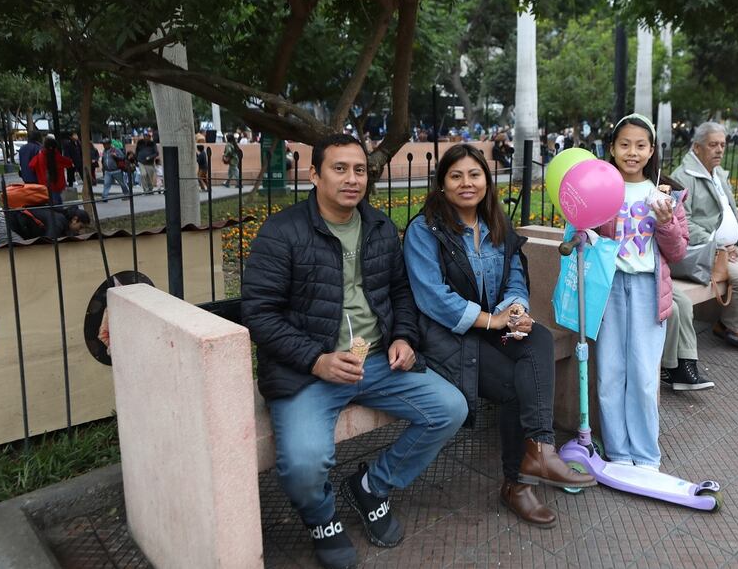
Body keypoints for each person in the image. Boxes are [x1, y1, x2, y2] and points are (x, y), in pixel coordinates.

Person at [241, 134, 467, 569]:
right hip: (308, 372)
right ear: (314, 175)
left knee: (450, 408)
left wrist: (404, 337)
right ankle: (322, 517)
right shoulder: (282, 232)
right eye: (339, 169)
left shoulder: (379, 227)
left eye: (359, 170)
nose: (351, 179)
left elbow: (401, 292)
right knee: (305, 465)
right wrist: (316, 359)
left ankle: (371, 485)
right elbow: (260, 314)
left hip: (379, 361)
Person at [403, 144, 594, 529]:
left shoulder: (497, 225)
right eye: (455, 176)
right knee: (512, 384)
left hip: (494, 326)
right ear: (441, 184)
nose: (466, 183)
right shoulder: (425, 230)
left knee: (537, 339)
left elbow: (515, 275)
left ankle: (540, 448)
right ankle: (517, 484)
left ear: (487, 182)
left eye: (474, 175)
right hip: (449, 337)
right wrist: (493, 320)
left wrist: (518, 310)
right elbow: (432, 297)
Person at [593, 113, 689, 469]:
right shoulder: (602, 189)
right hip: (610, 290)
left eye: (640, 145)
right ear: (612, 149)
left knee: (645, 376)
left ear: (652, 152)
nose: (632, 152)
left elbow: (678, 252)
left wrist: (665, 223)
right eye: (624, 145)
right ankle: (617, 453)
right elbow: (583, 231)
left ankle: (646, 457)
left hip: (649, 291)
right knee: (610, 372)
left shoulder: (666, 197)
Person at [670, 121, 738, 354]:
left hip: (729, 250)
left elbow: (733, 214)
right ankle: (734, 327)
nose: (719, 150)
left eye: (722, 144)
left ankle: (736, 325)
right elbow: (683, 223)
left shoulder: (718, 174)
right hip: (703, 253)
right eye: (713, 145)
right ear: (697, 147)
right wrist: (717, 245)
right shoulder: (683, 177)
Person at [661, 286, 715, 391]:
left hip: (657, 276)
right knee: (672, 309)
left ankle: (686, 363)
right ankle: (668, 366)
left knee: (684, 303)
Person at [28, 136, 75, 205]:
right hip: (58, 185)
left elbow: (31, 166)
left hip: (45, 185)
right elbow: (69, 163)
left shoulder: (40, 156)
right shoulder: (57, 156)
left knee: (53, 206)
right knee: (58, 203)